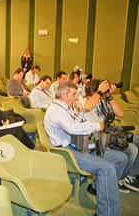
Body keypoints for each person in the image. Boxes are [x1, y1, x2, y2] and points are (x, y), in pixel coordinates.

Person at [44, 81, 128, 216]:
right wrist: (97, 126)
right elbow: (73, 128)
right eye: (73, 94)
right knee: (106, 168)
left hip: (78, 144)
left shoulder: (67, 107)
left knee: (120, 158)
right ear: (64, 95)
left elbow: (77, 123)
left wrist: (81, 113)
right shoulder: (55, 110)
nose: (76, 97)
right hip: (67, 151)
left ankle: (97, 187)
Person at [84, 79, 139, 192]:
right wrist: (99, 92)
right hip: (95, 141)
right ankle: (117, 180)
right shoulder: (86, 100)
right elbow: (87, 107)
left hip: (108, 136)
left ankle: (123, 178)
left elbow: (121, 113)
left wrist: (109, 96)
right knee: (131, 150)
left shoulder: (104, 100)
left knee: (135, 142)